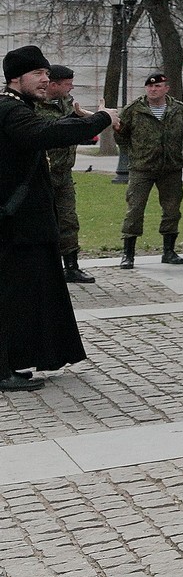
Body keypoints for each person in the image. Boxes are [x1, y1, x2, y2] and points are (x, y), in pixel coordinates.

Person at [1, 46, 115, 391]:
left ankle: (13, 362)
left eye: (47, 75)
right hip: (14, 226)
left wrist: (81, 120)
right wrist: (101, 118)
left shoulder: (18, 108)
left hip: (23, 226)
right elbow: (44, 135)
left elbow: (47, 127)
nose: (45, 80)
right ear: (16, 78)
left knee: (23, 297)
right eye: (38, 74)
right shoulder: (9, 108)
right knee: (10, 297)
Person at [117, 72, 183, 269]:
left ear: (166, 89)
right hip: (142, 168)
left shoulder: (178, 110)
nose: (153, 90)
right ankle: (128, 253)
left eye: (158, 87)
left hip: (170, 168)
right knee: (135, 209)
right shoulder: (134, 109)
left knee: (172, 209)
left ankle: (169, 251)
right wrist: (135, 152)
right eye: (150, 87)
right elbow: (121, 133)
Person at [37, 65, 91, 284]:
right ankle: (42, 268)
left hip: (64, 172)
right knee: (41, 220)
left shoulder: (67, 103)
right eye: (67, 84)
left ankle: (71, 267)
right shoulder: (34, 106)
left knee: (68, 219)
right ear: (54, 84)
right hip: (42, 173)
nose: (71, 87)